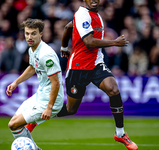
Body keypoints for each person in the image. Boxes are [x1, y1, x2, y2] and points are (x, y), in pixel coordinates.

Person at [26, 1, 138, 150]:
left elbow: (68, 28)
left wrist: (64, 47)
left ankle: (120, 133)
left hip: (96, 64)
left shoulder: (96, 15)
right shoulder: (82, 14)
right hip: (78, 68)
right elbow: (89, 42)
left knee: (114, 90)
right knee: (71, 110)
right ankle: (36, 117)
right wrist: (114, 43)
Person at [7, 18, 64, 150]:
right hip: (40, 95)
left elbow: (56, 83)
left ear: (41, 34)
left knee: (14, 124)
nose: (29, 37)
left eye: (33, 33)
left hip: (51, 100)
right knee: (14, 125)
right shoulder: (32, 49)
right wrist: (16, 82)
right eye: (27, 33)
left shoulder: (46, 54)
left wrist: (49, 108)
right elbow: (32, 67)